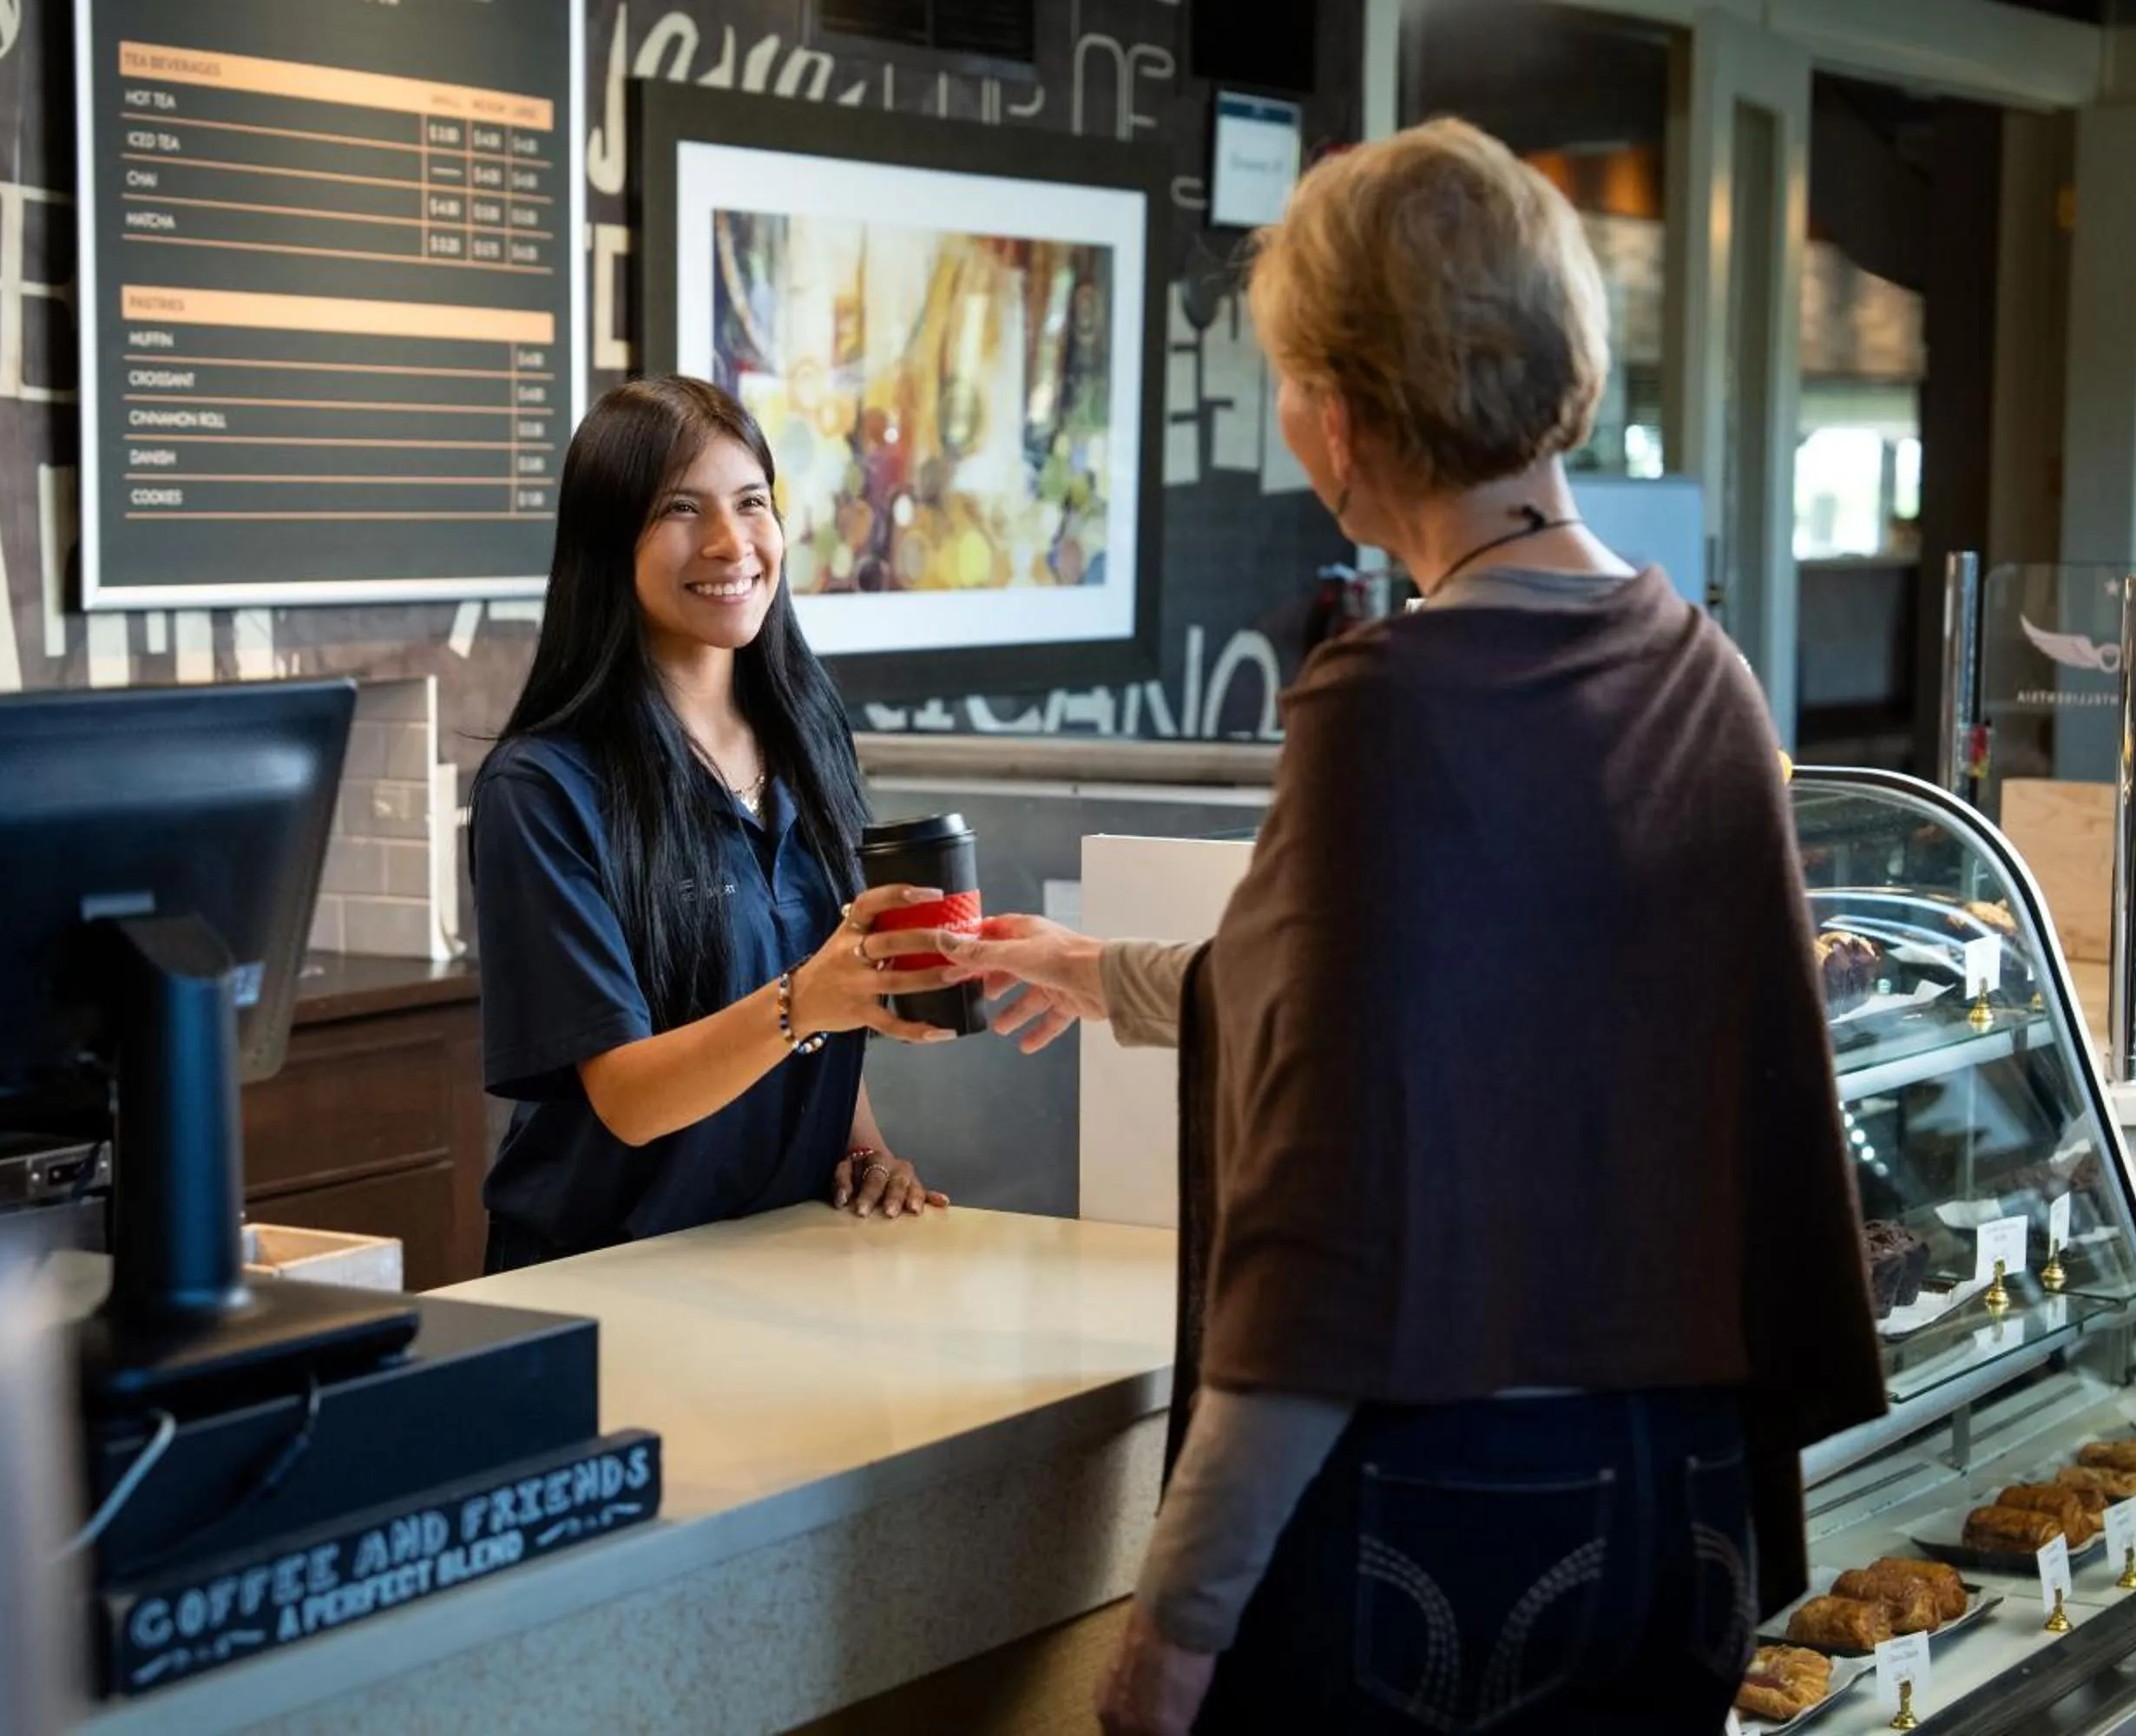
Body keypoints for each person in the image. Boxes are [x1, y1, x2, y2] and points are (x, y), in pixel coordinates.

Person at [898, 121, 1888, 1733]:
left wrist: (1172, 1633)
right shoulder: (1703, 673)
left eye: (1290, 376)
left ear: (1348, 412)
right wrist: (1099, 977)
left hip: (1454, 1538)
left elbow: (1321, 1231)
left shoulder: (1389, 706)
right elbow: (1426, 1012)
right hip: (1685, 1518)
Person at [469, 377, 962, 1272]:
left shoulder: (808, 737)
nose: (731, 543)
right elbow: (627, 1097)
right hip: (603, 1275)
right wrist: (809, 996)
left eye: (752, 503)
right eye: (681, 509)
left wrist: (862, 1148)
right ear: (609, 541)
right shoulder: (543, 787)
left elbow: (824, 1002)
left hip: (783, 1252)